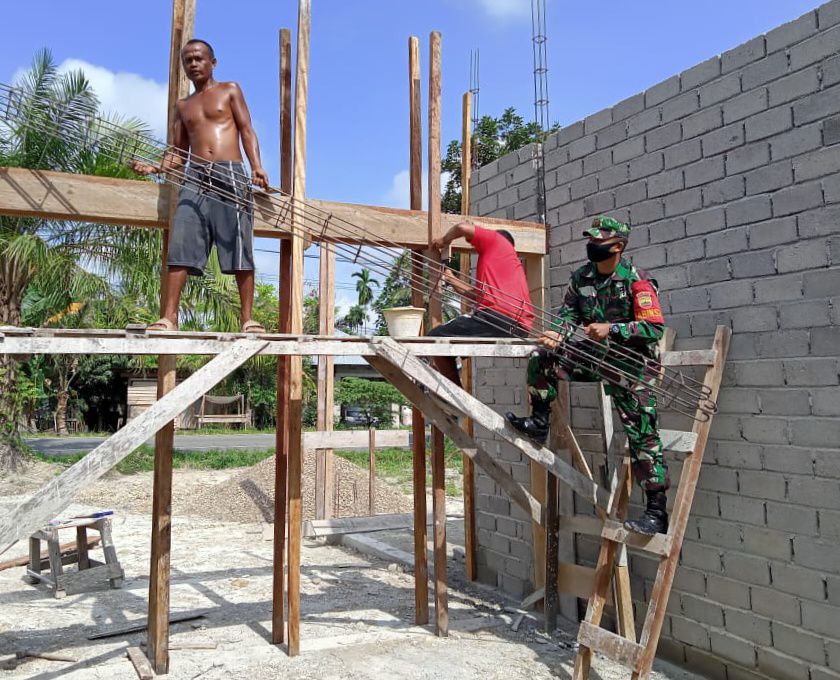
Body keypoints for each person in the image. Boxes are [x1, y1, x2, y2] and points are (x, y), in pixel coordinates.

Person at [506, 216, 669, 535]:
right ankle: (540, 423)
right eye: (591, 240)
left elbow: (654, 328)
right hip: (597, 357)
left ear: (618, 246)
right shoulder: (581, 277)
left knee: (643, 435)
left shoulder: (637, 281)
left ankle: (656, 512)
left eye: (600, 242)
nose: (592, 246)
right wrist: (557, 334)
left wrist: (614, 328)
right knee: (543, 357)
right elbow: (568, 315)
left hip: (633, 365)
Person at [132, 38, 269, 333]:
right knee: (180, 242)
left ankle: (248, 319)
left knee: (238, 244)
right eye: (188, 60)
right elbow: (177, 153)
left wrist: (257, 167)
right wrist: (154, 167)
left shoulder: (230, 89)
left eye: (199, 58)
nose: (193, 64)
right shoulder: (183, 106)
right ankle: (169, 317)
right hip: (194, 175)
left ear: (212, 63)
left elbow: (247, 130)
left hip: (230, 173)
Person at [426, 220, 534, 387]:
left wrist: (443, 241)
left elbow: (462, 227)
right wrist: (450, 277)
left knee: (434, 339)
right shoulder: (506, 266)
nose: (473, 243)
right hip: (518, 327)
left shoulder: (497, 241)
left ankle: (455, 397)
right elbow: (474, 295)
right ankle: (454, 397)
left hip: (497, 320)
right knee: (449, 346)